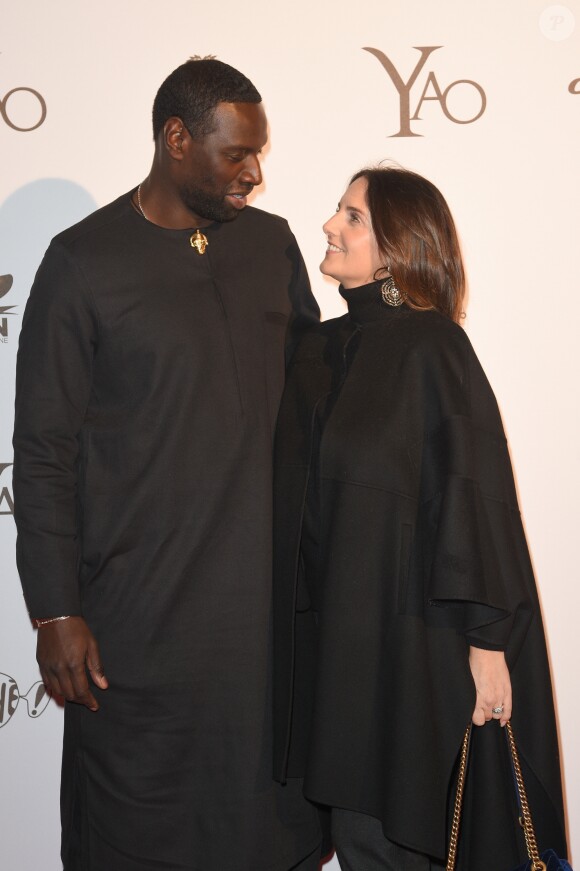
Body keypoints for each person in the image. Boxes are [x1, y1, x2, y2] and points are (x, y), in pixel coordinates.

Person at [13, 58, 322, 871]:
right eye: (236, 155)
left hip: (263, 625)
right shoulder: (82, 262)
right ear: (176, 140)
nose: (255, 173)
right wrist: (55, 611)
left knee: (268, 831)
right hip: (136, 628)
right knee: (134, 829)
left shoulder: (272, 243)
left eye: (260, 153)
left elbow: (322, 409)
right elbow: (42, 451)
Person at [272, 167, 568, 870]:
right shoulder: (315, 349)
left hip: (412, 653)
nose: (328, 226)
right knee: (359, 837)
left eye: (351, 216)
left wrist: (488, 643)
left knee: (406, 840)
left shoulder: (434, 346)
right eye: (336, 210)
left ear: (397, 245)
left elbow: (474, 494)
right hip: (333, 660)